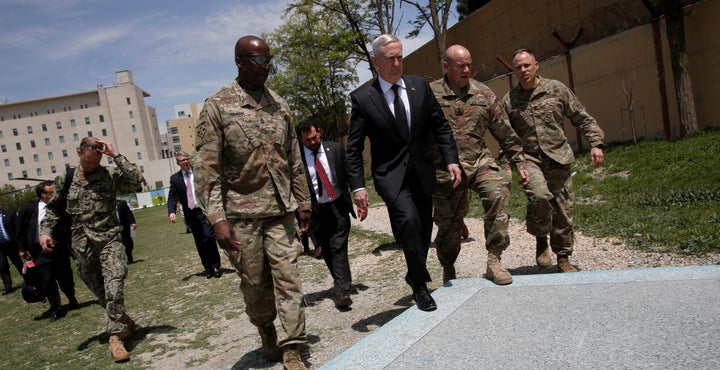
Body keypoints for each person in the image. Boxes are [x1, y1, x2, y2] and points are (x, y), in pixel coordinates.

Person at [194, 35, 312, 370]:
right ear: (240, 62)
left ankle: (293, 348)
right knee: (256, 287)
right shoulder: (218, 106)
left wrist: (304, 201)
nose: (266, 66)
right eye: (259, 60)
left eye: (269, 59)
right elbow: (207, 168)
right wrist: (216, 216)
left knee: (289, 279)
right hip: (241, 215)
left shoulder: (280, 105)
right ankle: (265, 327)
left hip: (279, 210)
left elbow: (293, 157)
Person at [345, 34, 461, 312]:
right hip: (390, 175)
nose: (397, 63)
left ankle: (413, 272)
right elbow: (354, 148)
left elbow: (441, 127)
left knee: (422, 227)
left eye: (400, 57)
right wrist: (359, 187)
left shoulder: (419, 86)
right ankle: (419, 285)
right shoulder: (363, 99)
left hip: (422, 171)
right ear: (375, 62)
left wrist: (451, 160)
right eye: (390, 58)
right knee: (408, 221)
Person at [429, 45, 530, 285]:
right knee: (448, 226)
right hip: (445, 169)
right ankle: (448, 267)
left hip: (479, 161)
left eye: (469, 64)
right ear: (446, 66)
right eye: (460, 65)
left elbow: (504, 131)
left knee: (499, 190)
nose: (466, 69)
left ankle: (494, 259)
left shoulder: (483, 93)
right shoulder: (429, 93)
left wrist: (520, 161)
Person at [39, 137, 143, 362]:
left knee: (115, 282)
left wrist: (115, 155)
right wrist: (44, 231)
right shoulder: (66, 179)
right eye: (93, 150)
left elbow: (137, 180)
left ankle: (115, 337)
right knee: (100, 291)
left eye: (100, 150)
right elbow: (54, 209)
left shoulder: (109, 175)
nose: (97, 154)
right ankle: (123, 319)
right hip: (81, 245)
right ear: (80, 152)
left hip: (108, 240)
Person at [502, 48, 605, 272]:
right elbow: (505, 135)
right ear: (513, 71)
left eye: (527, 65)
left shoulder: (556, 89)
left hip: (558, 156)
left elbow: (581, 116)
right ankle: (541, 241)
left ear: (536, 65)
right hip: (530, 160)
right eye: (518, 67)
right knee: (539, 197)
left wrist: (595, 143)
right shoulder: (509, 101)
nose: (523, 70)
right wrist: (506, 165)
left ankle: (563, 256)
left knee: (563, 209)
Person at [297, 119, 357, 309]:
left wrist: (359, 193)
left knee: (338, 246)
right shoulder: (297, 159)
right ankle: (340, 284)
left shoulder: (335, 149)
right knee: (327, 249)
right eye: (307, 140)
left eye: (314, 137)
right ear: (301, 139)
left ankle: (342, 290)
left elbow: (349, 173)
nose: (313, 142)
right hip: (315, 211)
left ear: (320, 131)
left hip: (337, 205)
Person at [16, 181, 78, 320]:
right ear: (43, 194)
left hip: (59, 248)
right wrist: (21, 248)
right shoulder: (29, 208)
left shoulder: (61, 206)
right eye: (52, 192)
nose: (55, 194)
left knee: (65, 277)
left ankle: (71, 297)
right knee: (47, 280)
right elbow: (19, 229)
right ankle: (56, 308)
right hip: (40, 251)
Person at [167, 151, 222, 279]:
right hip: (190, 214)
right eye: (182, 160)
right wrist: (171, 212)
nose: (185, 162)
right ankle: (207, 267)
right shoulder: (175, 179)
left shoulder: (199, 173)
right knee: (199, 241)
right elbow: (172, 196)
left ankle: (215, 266)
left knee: (209, 237)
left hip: (203, 210)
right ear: (178, 163)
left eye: (187, 159)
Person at [0, 202, 22, 295]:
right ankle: (8, 287)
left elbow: (17, 229)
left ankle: (29, 280)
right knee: (2, 266)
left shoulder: (10, 214)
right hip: (0, 246)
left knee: (18, 263)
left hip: (11, 244)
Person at [116, 200, 136, 264]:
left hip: (124, 226)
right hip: (113, 228)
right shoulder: (106, 204)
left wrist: (133, 222)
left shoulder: (122, 203)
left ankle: (129, 254)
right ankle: (118, 261)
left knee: (129, 244)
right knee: (116, 245)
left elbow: (128, 213)